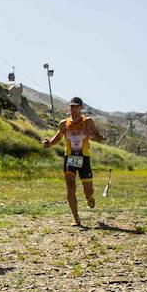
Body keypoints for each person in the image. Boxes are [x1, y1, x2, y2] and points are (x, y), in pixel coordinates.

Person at [42, 97, 104, 227]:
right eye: (71, 106)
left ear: (81, 108)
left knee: (88, 190)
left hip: (84, 158)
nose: (73, 109)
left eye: (76, 106)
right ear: (69, 107)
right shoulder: (64, 123)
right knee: (70, 187)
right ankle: (76, 218)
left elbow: (99, 138)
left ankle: (89, 197)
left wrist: (92, 135)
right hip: (69, 158)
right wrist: (49, 144)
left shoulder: (88, 122)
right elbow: (58, 136)